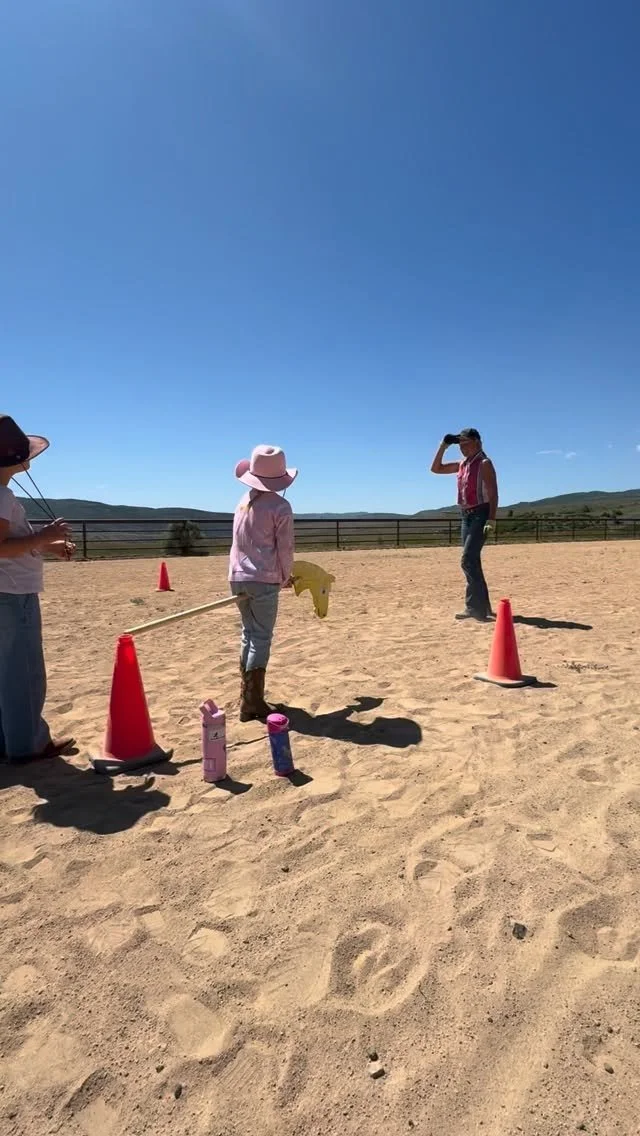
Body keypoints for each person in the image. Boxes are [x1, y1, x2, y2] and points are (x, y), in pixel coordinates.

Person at [0, 415, 76, 763]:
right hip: (13, 594)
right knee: (24, 671)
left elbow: (13, 542)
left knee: (7, 669)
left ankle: (8, 740)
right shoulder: (2, 496)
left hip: (8, 592)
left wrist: (45, 545)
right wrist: (44, 536)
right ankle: (27, 744)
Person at [229, 445, 296, 722]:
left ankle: (247, 694)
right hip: (263, 578)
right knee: (261, 637)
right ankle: (253, 701)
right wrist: (285, 575)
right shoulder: (280, 506)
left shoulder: (243, 501)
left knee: (248, 634)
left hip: (237, 576)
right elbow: (285, 548)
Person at [430, 427, 498, 622]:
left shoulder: (484, 463)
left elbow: (493, 492)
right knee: (472, 561)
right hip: (466, 516)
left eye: (466, 443)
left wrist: (491, 518)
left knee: (467, 559)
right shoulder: (462, 464)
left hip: (480, 513)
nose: (462, 448)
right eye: (460, 444)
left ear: (478, 442)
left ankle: (474, 608)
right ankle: (483, 607)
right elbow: (436, 468)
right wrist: (443, 445)